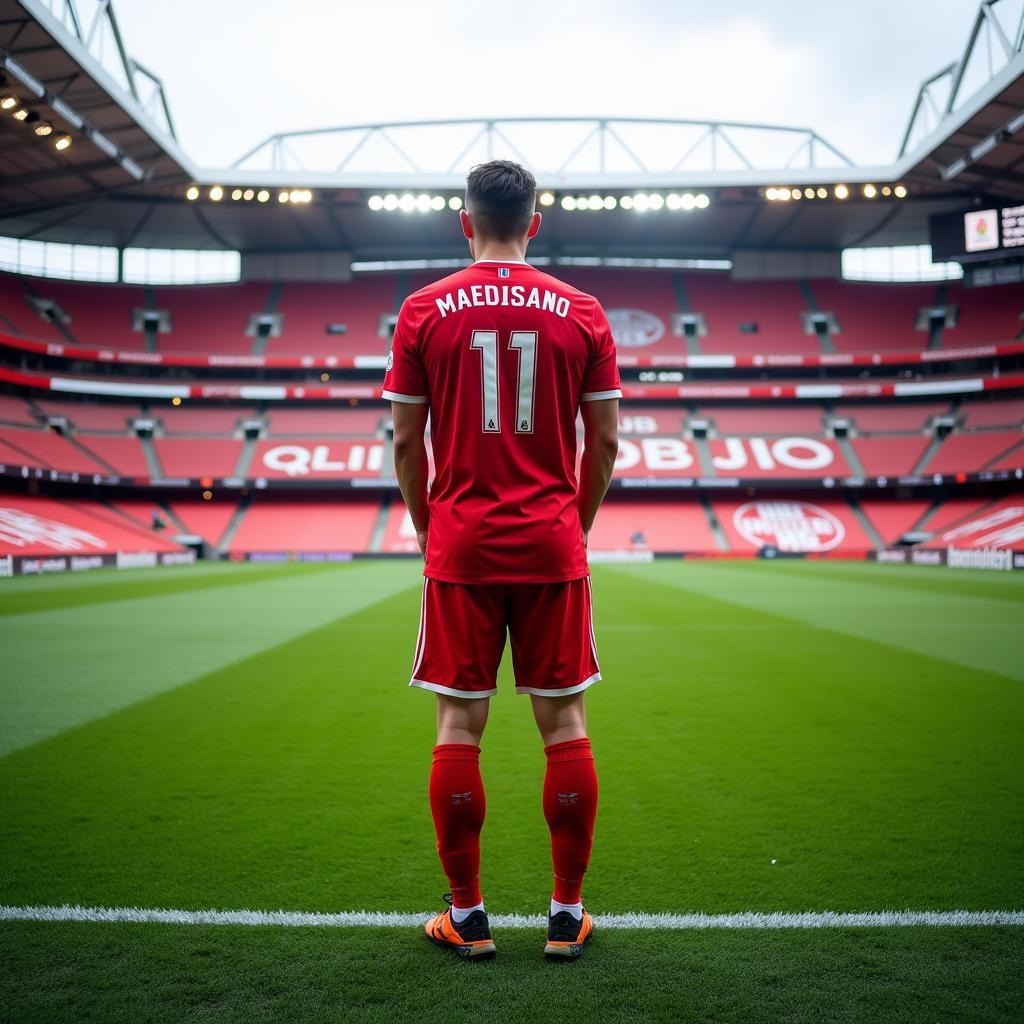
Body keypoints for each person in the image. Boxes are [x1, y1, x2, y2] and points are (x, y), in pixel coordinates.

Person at [382, 159, 620, 960]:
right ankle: (566, 915)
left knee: (459, 722)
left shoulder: (422, 310)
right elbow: (608, 441)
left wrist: (428, 526)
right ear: (535, 224)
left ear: (465, 222)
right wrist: (573, 526)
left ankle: (468, 916)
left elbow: (405, 444)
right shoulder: (583, 311)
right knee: (565, 724)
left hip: (462, 542)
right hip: (553, 541)